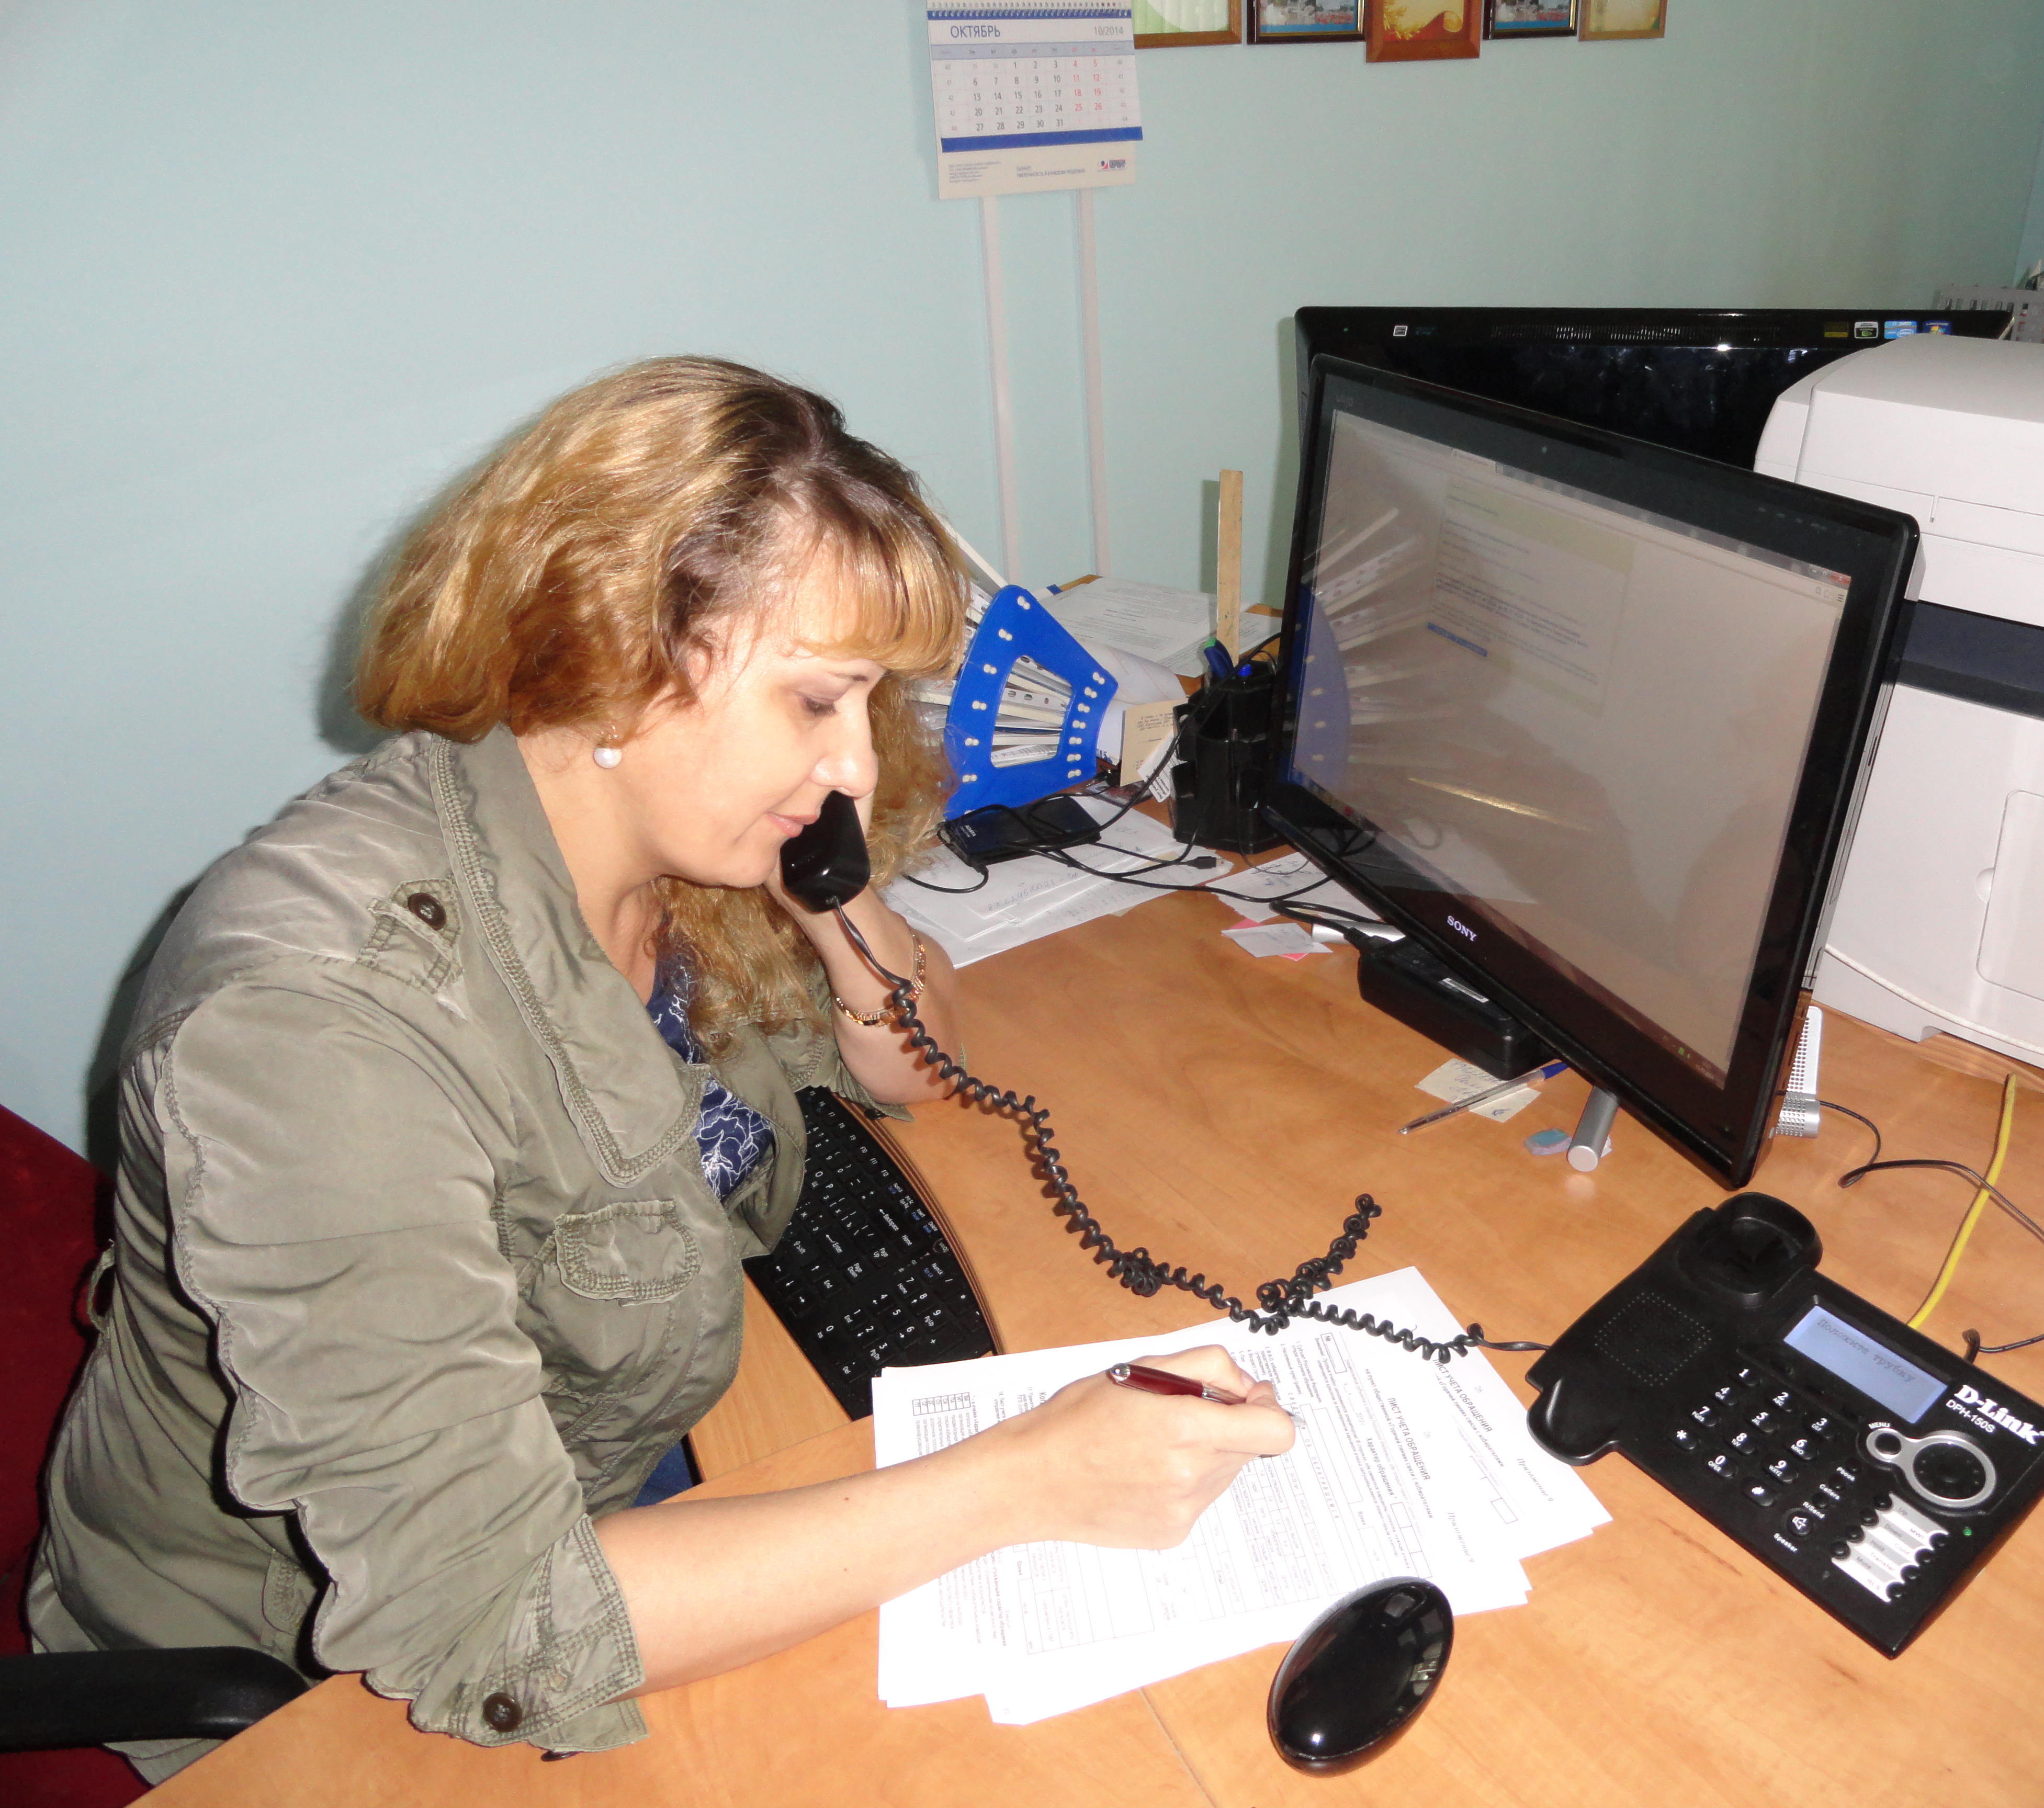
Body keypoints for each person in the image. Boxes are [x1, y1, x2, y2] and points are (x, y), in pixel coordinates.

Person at [30, 357, 1294, 1780]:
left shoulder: (653, 846)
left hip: (601, 1466)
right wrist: (1032, 1478)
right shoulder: (315, 1025)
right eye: (816, 701)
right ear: (616, 655)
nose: (857, 765)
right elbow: (500, 1625)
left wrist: (830, 893)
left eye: (867, 704)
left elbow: (915, 1069)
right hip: (326, 1673)